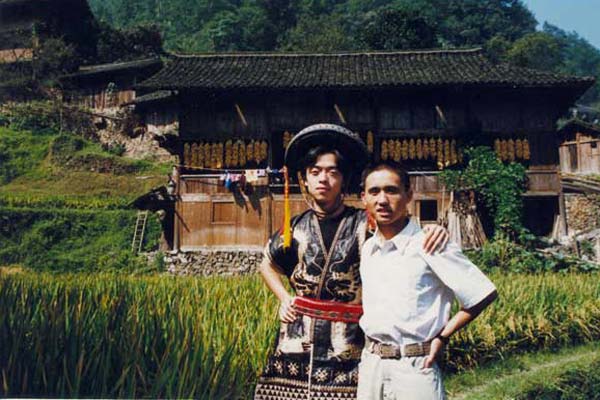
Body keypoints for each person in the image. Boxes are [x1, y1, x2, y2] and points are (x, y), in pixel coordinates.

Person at [254, 124, 449, 400]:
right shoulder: (293, 227)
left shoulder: (364, 223)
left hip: (347, 341)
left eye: (333, 172)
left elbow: (400, 230)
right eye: (315, 172)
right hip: (297, 339)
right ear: (305, 180)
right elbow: (267, 263)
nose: (324, 179)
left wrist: (431, 229)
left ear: (343, 180)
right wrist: (284, 298)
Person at [358, 160, 498, 400]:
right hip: (372, 365)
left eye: (391, 190)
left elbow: (482, 293)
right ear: (364, 198)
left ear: (408, 195)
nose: (382, 200)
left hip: (414, 367)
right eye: (374, 192)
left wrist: (443, 337)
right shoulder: (369, 248)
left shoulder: (430, 243)